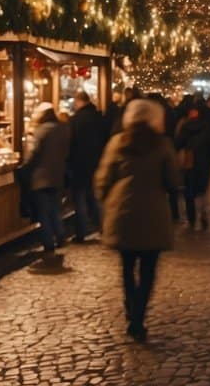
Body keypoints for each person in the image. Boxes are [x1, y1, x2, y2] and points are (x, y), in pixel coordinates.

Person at [95, 98, 181, 342]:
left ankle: (131, 309)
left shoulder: (118, 142)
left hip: (123, 213)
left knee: (127, 267)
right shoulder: (162, 145)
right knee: (148, 269)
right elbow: (173, 181)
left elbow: (103, 178)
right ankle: (138, 317)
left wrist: (105, 201)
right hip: (153, 214)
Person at [22, 103, 70, 260]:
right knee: (55, 208)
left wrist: (25, 168)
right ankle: (61, 234)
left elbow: (34, 154)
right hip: (57, 175)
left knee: (43, 212)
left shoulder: (41, 131)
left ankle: (48, 243)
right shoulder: (63, 129)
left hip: (41, 176)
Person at [68, 91, 108, 243]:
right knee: (93, 197)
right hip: (96, 162)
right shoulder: (99, 117)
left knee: (79, 199)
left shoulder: (76, 120)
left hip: (79, 164)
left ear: (79, 101)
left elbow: (71, 144)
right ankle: (102, 227)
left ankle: (81, 232)